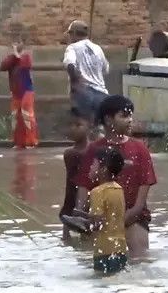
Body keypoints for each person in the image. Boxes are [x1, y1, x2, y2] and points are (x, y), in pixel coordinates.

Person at [75, 95, 156, 259]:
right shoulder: (93, 150)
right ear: (108, 119)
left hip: (133, 218)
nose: (130, 120)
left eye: (131, 115)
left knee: (139, 259)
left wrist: (117, 224)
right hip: (99, 219)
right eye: (124, 116)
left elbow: (140, 204)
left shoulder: (140, 149)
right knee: (92, 264)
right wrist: (81, 218)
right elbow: (84, 189)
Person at [63, 20, 110, 129]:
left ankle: (86, 145)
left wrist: (76, 84)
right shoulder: (97, 48)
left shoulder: (72, 48)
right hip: (101, 93)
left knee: (83, 127)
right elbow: (105, 69)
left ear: (73, 34)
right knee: (99, 128)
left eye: (70, 34)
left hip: (83, 93)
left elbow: (70, 65)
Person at [88, 146, 128, 274]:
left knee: (102, 286)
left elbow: (96, 224)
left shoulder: (97, 192)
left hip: (104, 250)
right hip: (121, 249)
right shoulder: (119, 189)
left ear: (103, 169)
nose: (90, 167)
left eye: (93, 164)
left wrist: (84, 224)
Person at [0, 38, 39, 149]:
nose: (16, 45)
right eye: (14, 42)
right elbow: (3, 66)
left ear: (23, 44)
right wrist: (13, 56)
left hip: (26, 91)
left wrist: (16, 54)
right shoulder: (11, 58)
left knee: (27, 115)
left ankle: (31, 141)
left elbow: (25, 65)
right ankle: (19, 142)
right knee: (16, 117)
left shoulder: (26, 56)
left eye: (18, 42)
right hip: (15, 93)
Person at [60, 108, 90, 240]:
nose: (73, 129)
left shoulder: (72, 153)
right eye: (70, 125)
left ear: (90, 126)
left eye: (78, 125)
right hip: (71, 205)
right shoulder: (69, 153)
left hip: (82, 206)